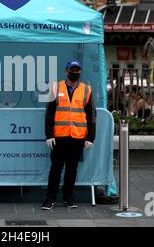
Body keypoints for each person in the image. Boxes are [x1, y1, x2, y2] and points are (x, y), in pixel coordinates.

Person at [41, 60, 96, 210]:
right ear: (66, 71)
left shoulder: (86, 90)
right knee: (56, 169)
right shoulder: (56, 87)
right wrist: (49, 135)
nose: (75, 72)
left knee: (72, 170)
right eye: (72, 70)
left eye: (77, 70)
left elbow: (91, 115)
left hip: (77, 137)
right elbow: (49, 113)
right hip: (59, 137)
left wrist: (91, 137)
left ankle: (68, 198)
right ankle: (50, 199)